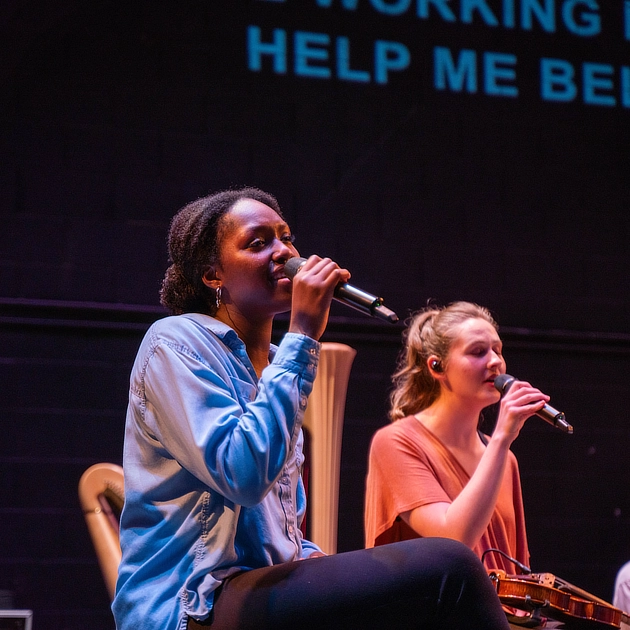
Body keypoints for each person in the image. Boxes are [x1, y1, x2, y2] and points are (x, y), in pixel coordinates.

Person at [112, 188, 513, 630]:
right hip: (192, 602)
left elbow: (281, 529)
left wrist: (327, 567)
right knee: (449, 567)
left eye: (286, 238)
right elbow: (243, 473)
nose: (283, 252)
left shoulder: (276, 364)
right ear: (212, 275)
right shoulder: (176, 342)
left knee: (412, 601)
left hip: (258, 589)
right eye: (258, 242)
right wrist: (303, 332)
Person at [365, 301, 550, 576]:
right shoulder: (396, 442)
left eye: (498, 350)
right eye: (478, 352)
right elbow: (452, 540)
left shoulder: (504, 459)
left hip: (496, 617)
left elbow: (515, 571)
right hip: (435, 617)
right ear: (437, 367)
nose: (496, 361)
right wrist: (502, 438)